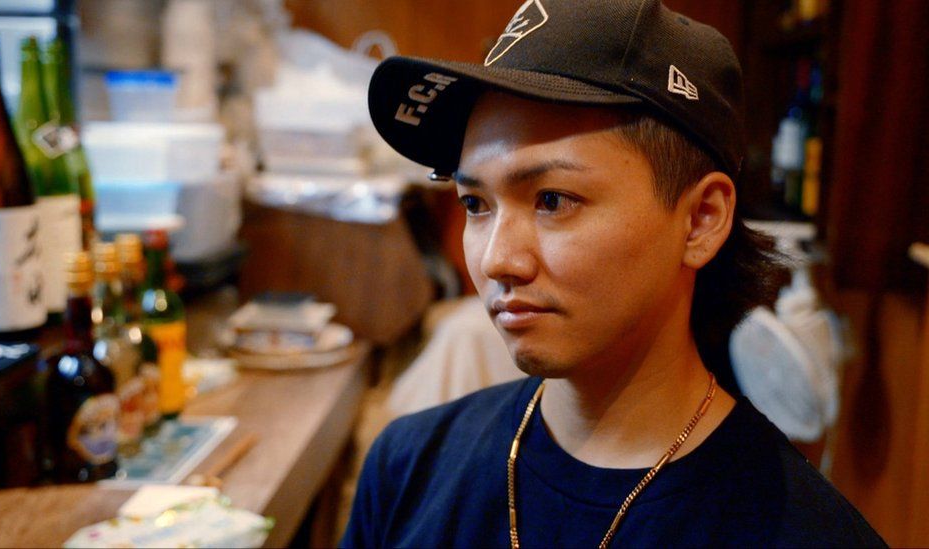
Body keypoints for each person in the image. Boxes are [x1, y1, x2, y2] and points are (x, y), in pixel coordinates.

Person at [344, 0, 886, 546]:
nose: (495, 260)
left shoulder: (803, 532)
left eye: (553, 200)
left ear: (701, 219)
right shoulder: (407, 467)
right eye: (475, 203)